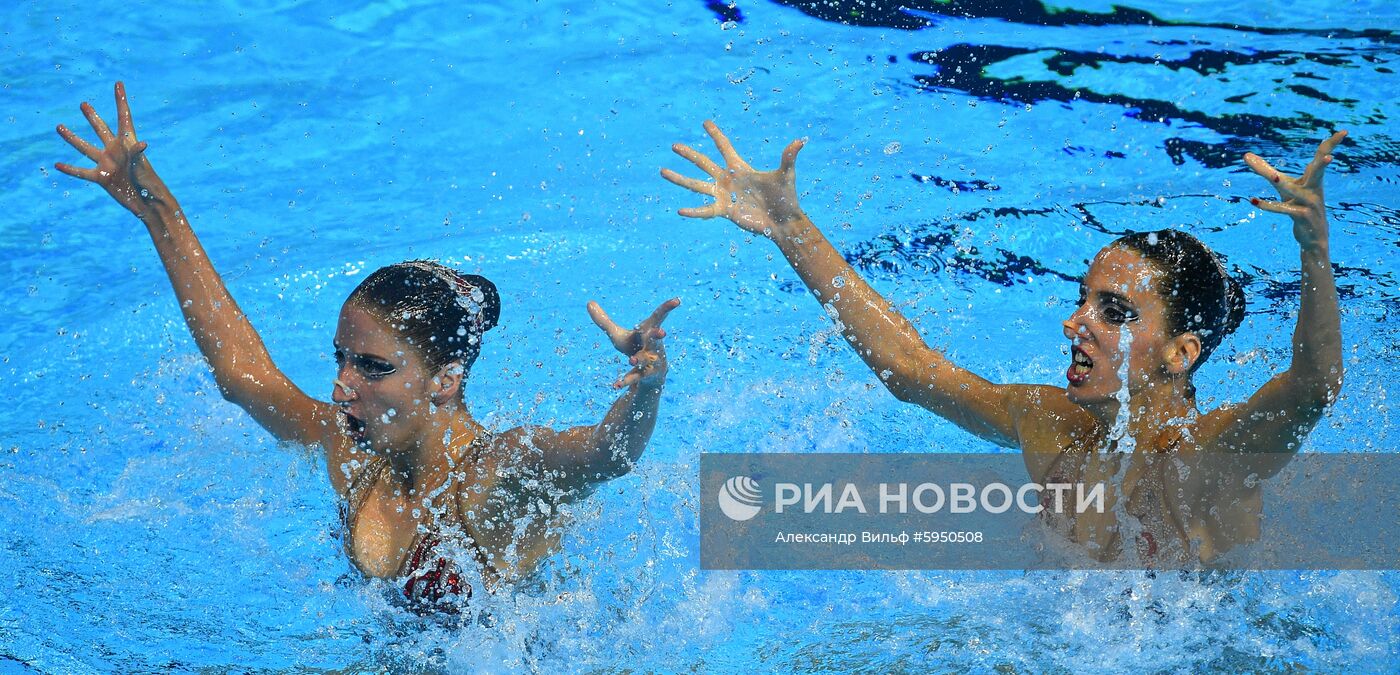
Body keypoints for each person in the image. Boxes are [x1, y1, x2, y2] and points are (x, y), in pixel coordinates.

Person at [56, 82, 680, 608]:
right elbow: (242, 374)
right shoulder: (354, 454)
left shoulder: (497, 471)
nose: (343, 384)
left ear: (446, 378)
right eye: (342, 359)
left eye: (373, 367)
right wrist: (154, 207)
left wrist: (645, 385)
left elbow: (608, 454)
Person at [663, 120, 1346, 564]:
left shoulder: (1212, 458)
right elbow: (908, 368)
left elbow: (1312, 387)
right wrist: (789, 225)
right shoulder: (1051, 425)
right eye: (1081, 300)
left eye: (1113, 311)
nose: (1076, 323)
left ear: (1182, 352)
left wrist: (1315, 249)